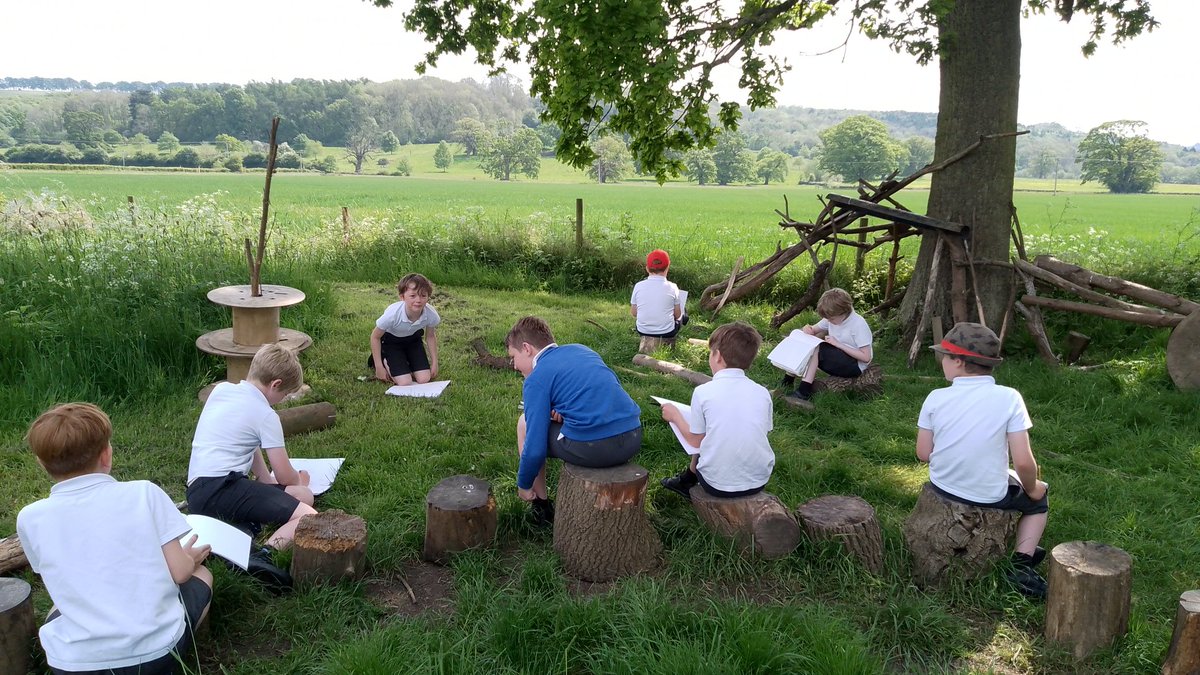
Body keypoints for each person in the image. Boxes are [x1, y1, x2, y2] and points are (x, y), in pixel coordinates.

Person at [17, 403, 213, 675]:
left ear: (41, 463)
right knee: (202, 575)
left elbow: (56, 576)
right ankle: (191, 655)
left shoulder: (29, 517)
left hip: (73, 664)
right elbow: (180, 573)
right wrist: (190, 559)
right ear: (107, 455)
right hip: (155, 653)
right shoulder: (144, 493)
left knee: (57, 609)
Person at [916, 322, 1050, 599]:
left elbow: (922, 454)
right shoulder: (1009, 398)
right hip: (989, 494)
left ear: (959, 361)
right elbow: (1024, 463)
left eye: (944, 356)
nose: (941, 362)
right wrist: (1034, 489)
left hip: (942, 486)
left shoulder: (935, 398)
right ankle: (1022, 564)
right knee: (1039, 503)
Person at [187, 343, 317, 589]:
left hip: (198, 492)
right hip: (223, 489)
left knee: (301, 496)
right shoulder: (266, 415)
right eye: (285, 394)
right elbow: (284, 474)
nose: (283, 400)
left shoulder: (222, 390)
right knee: (307, 514)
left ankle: (237, 532)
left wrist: (264, 480)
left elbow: (249, 442)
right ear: (275, 384)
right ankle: (261, 555)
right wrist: (300, 480)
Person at [506, 316, 643, 526]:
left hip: (595, 448)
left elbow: (534, 447)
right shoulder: (582, 350)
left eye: (513, 357)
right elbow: (598, 392)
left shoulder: (537, 378)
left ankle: (540, 505)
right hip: (633, 436)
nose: (514, 366)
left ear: (526, 348)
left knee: (525, 424)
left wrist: (523, 484)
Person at [660, 322, 775, 501]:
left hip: (717, 484)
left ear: (718, 356)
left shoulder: (703, 392)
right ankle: (687, 479)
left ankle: (687, 480)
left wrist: (674, 416)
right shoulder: (762, 392)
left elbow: (695, 441)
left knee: (702, 434)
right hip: (759, 480)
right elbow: (763, 431)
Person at [784, 287, 873, 409]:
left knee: (817, 347)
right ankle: (787, 381)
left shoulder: (858, 324)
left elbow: (866, 357)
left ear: (844, 312)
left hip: (855, 366)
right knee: (802, 339)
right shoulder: (832, 319)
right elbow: (814, 330)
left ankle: (804, 391)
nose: (829, 321)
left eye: (831, 318)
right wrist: (807, 330)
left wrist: (838, 344)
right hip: (838, 358)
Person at [369, 272, 440, 386]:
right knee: (405, 382)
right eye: (413, 296)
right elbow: (375, 336)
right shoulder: (392, 315)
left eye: (423, 295)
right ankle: (384, 359)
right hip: (392, 342)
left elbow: (430, 336)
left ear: (428, 297)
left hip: (413, 341)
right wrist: (379, 366)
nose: (418, 300)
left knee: (424, 379)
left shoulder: (431, 314)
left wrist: (435, 362)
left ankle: (406, 360)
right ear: (402, 297)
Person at [630, 248, 687, 338]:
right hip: (667, 332)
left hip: (642, 331)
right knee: (682, 314)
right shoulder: (673, 287)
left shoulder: (638, 286)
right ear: (668, 267)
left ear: (647, 269)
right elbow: (677, 315)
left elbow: (634, 313)